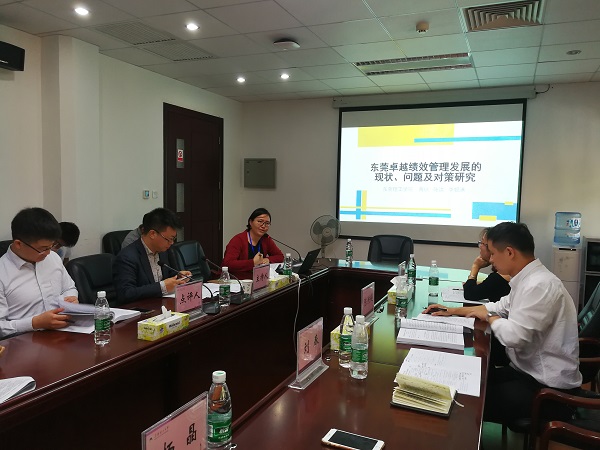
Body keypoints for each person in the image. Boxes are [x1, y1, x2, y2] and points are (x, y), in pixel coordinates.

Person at [426, 222, 581, 424]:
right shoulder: (527, 279)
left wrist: (490, 317)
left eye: (492, 253)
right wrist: (452, 311)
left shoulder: (539, 285)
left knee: (464, 400)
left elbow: (514, 337)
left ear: (509, 252)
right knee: (468, 380)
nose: (490, 259)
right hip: (525, 373)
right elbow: (497, 307)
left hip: (548, 392)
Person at [0, 207, 78, 338]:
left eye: (51, 246)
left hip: (63, 334)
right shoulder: (2, 273)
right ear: (18, 244)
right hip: (23, 342)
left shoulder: (53, 258)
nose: (48, 253)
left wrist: (71, 298)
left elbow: (69, 288)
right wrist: (34, 323)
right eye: (43, 249)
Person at [113, 208, 191, 304]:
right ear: (152, 234)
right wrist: (162, 287)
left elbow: (169, 275)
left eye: (173, 239)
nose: (171, 243)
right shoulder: (127, 257)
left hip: (163, 305)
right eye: (169, 239)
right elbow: (126, 293)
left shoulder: (164, 250)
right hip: (142, 309)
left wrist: (178, 277)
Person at [222, 208, 284, 279]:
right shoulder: (238, 240)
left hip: (258, 279)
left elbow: (280, 256)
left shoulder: (266, 239)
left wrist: (267, 259)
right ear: (250, 222)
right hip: (237, 280)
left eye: (267, 223)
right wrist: (253, 263)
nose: (263, 226)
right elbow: (228, 263)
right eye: (260, 221)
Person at [463, 227, 510, 303]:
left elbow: (470, 294)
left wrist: (475, 266)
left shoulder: (499, 278)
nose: (480, 246)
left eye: (482, 243)